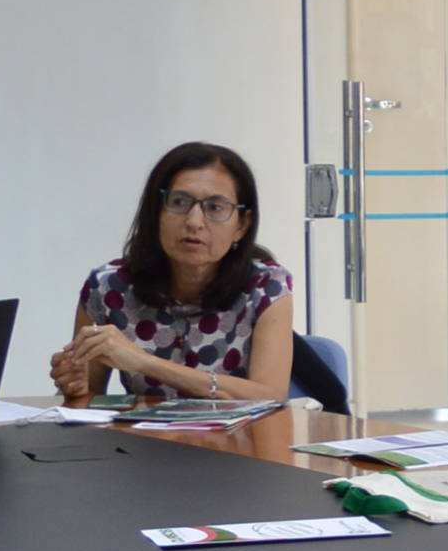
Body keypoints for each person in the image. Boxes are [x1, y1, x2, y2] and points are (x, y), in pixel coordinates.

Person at [51, 143, 296, 405]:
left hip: (238, 444)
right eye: (179, 202)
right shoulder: (107, 287)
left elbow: (270, 396)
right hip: (141, 444)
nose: (194, 222)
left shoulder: (267, 286)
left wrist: (144, 362)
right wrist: (74, 384)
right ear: (156, 212)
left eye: (214, 208)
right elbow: (85, 397)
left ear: (241, 225)